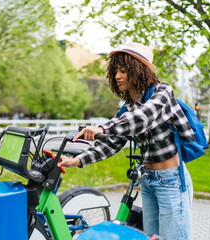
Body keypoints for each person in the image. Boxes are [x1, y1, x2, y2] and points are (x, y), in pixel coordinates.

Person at [58, 42, 194, 240]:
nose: (117, 76)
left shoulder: (162, 93)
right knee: (149, 238)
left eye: (123, 71)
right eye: (115, 72)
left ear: (139, 71)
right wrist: (78, 160)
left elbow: (141, 119)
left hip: (171, 181)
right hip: (148, 181)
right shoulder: (127, 108)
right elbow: (111, 143)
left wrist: (102, 128)